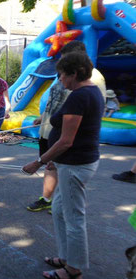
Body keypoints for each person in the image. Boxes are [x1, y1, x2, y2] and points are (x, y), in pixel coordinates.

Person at [22, 52, 104, 279]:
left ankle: (73, 269)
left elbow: (66, 140)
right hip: (72, 162)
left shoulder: (81, 96)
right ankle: (67, 257)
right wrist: (54, 159)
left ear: (74, 73)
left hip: (76, 165)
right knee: (59, 211)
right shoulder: (89, 92)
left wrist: (38, 161)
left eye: (62, 75)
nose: (60, 80)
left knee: (73, 216)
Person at [27, 40, 107, 212]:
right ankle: (47, 198)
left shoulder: (89, 84)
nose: (61, 74)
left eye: (65, 65)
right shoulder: (66, 78)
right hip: (50, 131)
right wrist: (44, 117)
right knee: (52, 169)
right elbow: (56, 101)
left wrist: (37, 163)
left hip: (71, 150)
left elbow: (90, 115)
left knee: (71, 216)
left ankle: (60, 202)